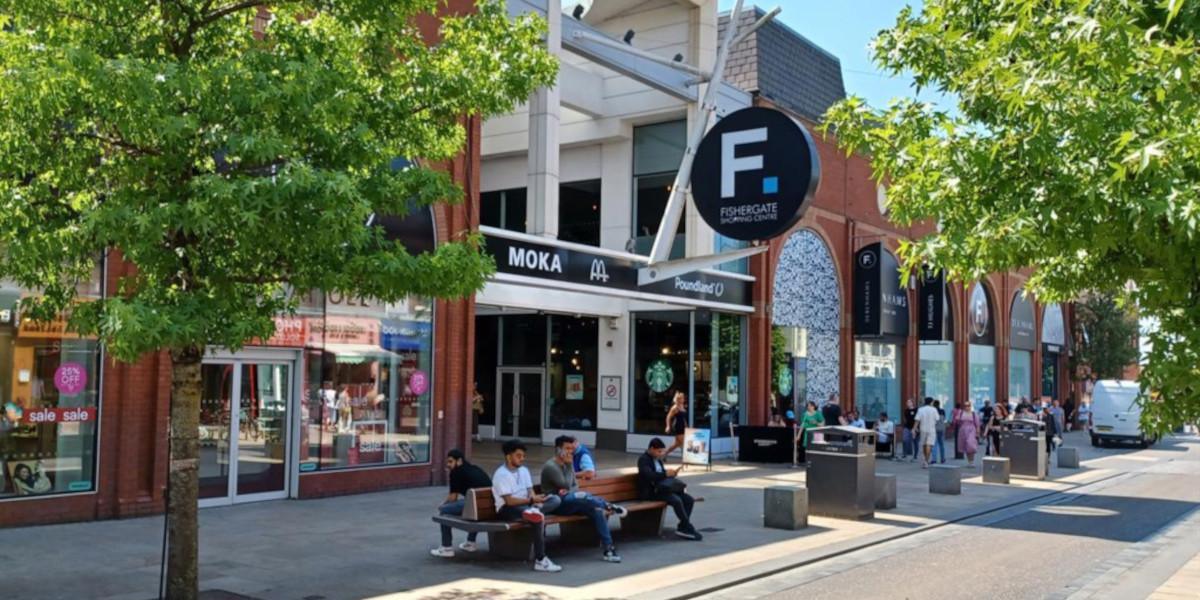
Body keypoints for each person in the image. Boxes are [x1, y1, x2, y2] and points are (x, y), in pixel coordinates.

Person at [540, 436, 628, 562]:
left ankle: (609, 549)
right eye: (567, 448)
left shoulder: (566, 465)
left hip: (571, 501)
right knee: (582, 495)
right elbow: (565, 484)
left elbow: (574, 486)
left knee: (597, 510)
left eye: (571, 448)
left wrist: (569, 488)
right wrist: (570, 467)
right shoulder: (551, 466)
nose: (570, 451)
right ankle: (609, 506)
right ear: (558, 449)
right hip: (557, 505)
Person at [492, 440, 562, 572]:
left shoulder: (524, 470)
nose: (522, 459)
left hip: (527, 505)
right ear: (508, 456)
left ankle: (533, 511)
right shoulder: (501, 475)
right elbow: (509, 501)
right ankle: (540, 560)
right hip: (507, 509)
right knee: (538, 518)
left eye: (523, 456)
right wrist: (531, 500)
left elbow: (530, 490)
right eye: (518, 456)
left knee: (555, 499)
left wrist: (535, 500)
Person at [637, 438, 702, 540]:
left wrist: (671, 474)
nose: (661, 454)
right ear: (651, 449)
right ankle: (687, 527)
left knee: (689, 500)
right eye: (659, 451)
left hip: (663, 489)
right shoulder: (644, 460)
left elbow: (662, 475)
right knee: (676, 500)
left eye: (662, 451)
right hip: (652, 492)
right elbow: (648, 475)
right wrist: (665, 474)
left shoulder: (658, 460)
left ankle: (682, 526)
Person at [431, 449, 492, 558]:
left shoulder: (456, 472)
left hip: (476, 505)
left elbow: (452, 498)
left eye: (450, 462)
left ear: (459, 461)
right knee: (473, 508)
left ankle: (446, 547)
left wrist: (442, 505)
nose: (448, 465)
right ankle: (470, 542)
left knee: (444, 512)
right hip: (487, 506)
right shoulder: (475, 469)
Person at [953, 402, 982, 467]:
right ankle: (970, 461)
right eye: (965, 405)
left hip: (971, 430)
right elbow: (956, 421)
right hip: (963, 430)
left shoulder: (974, 414)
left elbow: (977, 424)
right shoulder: (961, 413)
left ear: (970, 406)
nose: (967, 407)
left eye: (968, 405)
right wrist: (956, 418)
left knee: (970, 444)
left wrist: (978, 433)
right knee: (966, 446)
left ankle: (972, 461)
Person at [914, 398, 940, 468]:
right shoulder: (934, 409)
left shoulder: (920, 409)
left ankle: (925, 460)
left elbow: (917, 420)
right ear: (931, 402)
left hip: (923, 428)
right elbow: (937, 419)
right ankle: (926, 460)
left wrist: (914, 428)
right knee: (929, 444)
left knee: (924, 444)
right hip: (931, 429)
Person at [664, 391, 688, 456]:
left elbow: (683, 417)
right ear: (678, 399)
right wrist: (668, 426)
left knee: (677, 444)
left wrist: (686, 425)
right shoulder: (675, 407)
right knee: (683, 443)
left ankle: (664, 454)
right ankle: (686, 459)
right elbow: (668, 417)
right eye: (681, 398)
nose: (683, 399)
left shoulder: (682, 406)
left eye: (683, 398)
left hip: (683, 426)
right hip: (678, 426)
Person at [932, 400, 947, 464]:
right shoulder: (942, 411)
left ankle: (934, 459)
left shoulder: (933, 411)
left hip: (934, 429)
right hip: (941, 428)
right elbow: (944, 419)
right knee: (941, 444)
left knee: (934, 444)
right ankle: (942, 458)